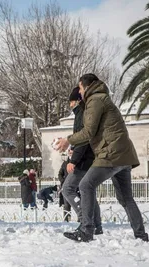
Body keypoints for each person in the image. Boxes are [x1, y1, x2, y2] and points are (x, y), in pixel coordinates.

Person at [56, 74, 148, 242]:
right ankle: (141, 235)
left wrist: (67, 140)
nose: (80, 92)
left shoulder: (95, 100)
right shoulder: (103, 98)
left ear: (87, 86)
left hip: (111, 154)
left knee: (85, 185)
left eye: (81, 89)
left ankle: (87, 230)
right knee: (126, 198)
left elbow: (88, 132)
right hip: (124, 155)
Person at [62, 86, 102, 234]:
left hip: (84, 159)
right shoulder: (87, 113)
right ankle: (96, 225)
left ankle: (85, 219)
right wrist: (73, 147)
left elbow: (84, 139)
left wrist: (74, 160)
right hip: (90, 157)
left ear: (77, 101)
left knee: (68, 189)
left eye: (71, 102)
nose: (70, 105)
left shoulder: (81, 114)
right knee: (89, 191)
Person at [58, 153, 71, 222]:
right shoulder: (65, 163)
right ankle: (66, 219)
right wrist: (63, 181)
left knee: (78, 203)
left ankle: (80, 219)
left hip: (77, 186)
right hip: (66, 185)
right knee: (66, 204)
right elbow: (60, 174)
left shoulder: (79, 162)